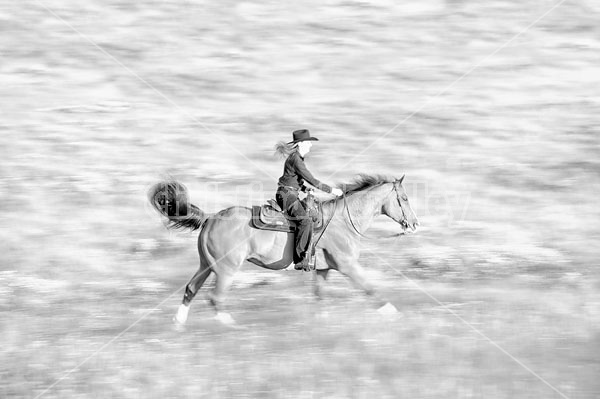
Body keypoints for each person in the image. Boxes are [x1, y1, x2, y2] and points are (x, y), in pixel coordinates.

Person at [275, 129, 343, 271]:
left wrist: (306, 190)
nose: (311, 146)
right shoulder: (296, 160)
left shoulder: (297, 158)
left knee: (312, 217)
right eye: (308, 143)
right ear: (301, 144)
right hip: (287, 195)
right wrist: (332, 191)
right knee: (305, 220)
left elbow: (295, 180)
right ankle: (299, 260)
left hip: (289, 193)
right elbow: (311, 179)